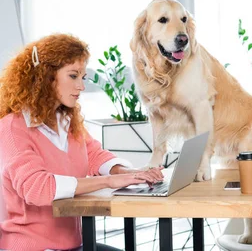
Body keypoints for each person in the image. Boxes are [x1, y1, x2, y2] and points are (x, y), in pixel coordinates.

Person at [0, 34, 164, 251]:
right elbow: (38, 188)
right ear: (46, 76)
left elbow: (95, 155)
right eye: (73, 76)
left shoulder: (66, 121)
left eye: (83, 77)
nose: (81, 86)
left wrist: (131, 173)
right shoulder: (13, 127)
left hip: (73, 245)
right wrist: (108, 182)